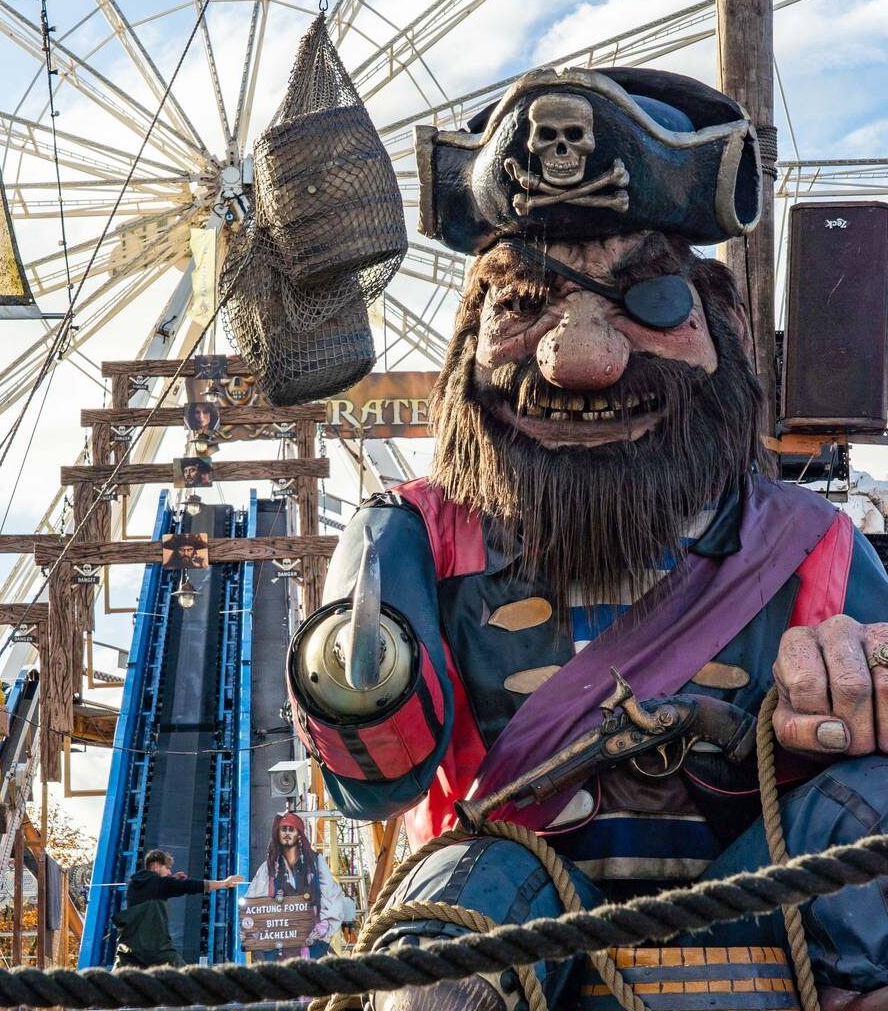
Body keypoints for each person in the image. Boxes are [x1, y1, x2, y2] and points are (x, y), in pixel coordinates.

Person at [288, 67, 888, 1011]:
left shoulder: (811, 546)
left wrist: (867, 682)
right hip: (500, 899)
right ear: (467, 342)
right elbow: (377, 782)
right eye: (523, 309)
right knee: (438, 983)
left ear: (719, 322)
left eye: (646, 305)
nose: (581, 358)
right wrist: (361, 679)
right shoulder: (419, 535)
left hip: (762, 905)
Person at [112, 849, 242, 968]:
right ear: (156, 866)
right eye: (167, 868)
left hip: (129, 949)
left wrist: (172, 881)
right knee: (187, 979)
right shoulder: (161, 884)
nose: (169, 872)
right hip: (156, 949)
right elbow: (191, 886)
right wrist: (224, 882)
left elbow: (152, 891)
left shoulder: (133, 885)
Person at [246, 812, 343, 959]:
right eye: (283, 829)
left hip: (312, 944)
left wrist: (324, 927)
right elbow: (252, 903)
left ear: (299, 834)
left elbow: (332, 895)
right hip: (278, 946)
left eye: (291, 829)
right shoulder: (269, 868)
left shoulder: (316, 863)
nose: (286, 833)